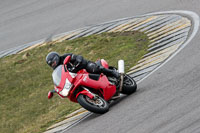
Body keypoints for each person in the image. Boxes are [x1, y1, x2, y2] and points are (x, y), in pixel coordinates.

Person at [46, 51, 120, 79]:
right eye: (51, 64)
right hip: (76, 77)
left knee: (93, 68)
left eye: (53, 62)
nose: (53, 64)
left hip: (82, 67)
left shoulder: (65, 57)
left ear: (56, 58)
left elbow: (76, 56)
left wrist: (78, 60)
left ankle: (112, 72)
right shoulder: (57, 70)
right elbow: (60, 79)